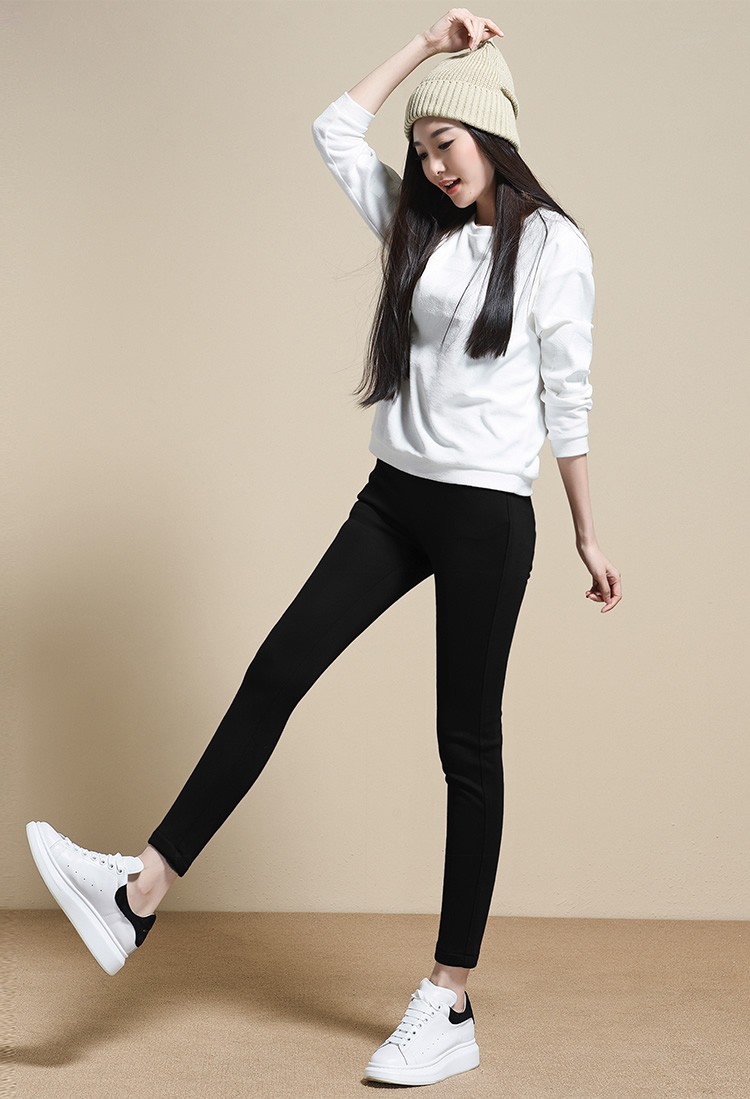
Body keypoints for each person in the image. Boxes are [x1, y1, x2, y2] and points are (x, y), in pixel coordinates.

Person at [26, 7, 622, 1088]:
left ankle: (449, 997)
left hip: (488, 515)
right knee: (277, 671)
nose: (433, 166)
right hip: (395, 500)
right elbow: (333, 130)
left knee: (466, 746)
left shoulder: (554, 248)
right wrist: (424, 50)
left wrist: (587, 530)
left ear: (493, 134)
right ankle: (137, 893)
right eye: (423, 148)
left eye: (447, 143)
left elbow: (568, 397)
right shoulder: (413, 223)